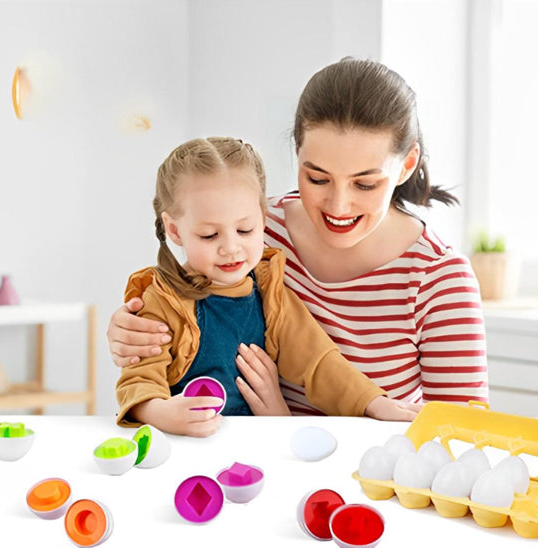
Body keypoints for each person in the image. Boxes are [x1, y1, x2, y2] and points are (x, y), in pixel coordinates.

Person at [108, 58, 488, 416]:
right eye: (317, 178)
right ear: (297, 154)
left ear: (406, 165)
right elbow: (177, 307)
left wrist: (282, 423)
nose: (339, 206)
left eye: (365, 183)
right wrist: (133, 332)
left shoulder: (439, 278)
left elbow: (460, 443)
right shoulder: (253, 232)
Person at [115, 136, 420, 437]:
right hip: (182, 452)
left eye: (244, 230)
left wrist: (373, 403)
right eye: (210, 235)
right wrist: (162, 413)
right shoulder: (162, 299)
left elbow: (319, 362)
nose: (231, 248)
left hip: (256, 451)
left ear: (262, 219)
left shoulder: (270, 293)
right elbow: (138, 382)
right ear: (174, 230)